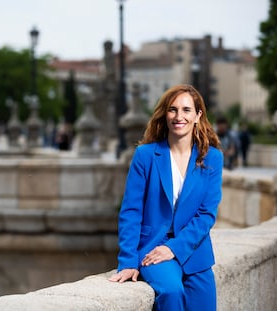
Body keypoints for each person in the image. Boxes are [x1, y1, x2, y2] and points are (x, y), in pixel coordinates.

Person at [109, 84, 223, 310]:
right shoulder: (146, 155)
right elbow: (131, 212)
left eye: (186, 110)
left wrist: (174, 248)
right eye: (173, 110)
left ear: (198, 116)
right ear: (165, 114)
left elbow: (206, 215)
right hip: (153, 247)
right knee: (171, 292)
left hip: (194, 250)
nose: (179, 116)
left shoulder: (213, 158)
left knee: (205, 301)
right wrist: (128, 261)